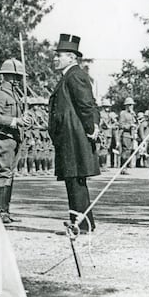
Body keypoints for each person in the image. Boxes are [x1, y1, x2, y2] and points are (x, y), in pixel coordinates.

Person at [48, 34, 100, 233]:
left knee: (76, 180)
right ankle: (83, 223)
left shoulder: (75, 75)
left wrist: (91, 128)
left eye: (59, 55)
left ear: (71, 57)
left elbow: (86, 105)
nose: (55, 59)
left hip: (75, 137)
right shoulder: (69, 75)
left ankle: (81, 225)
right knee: (74, 180)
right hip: (70, 136)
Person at [0, 59, 31, 223]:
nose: (19, 81)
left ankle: (5, 211)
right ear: (8, 77)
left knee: (9, 174)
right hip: (5, 137)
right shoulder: (0, 94)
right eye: (17, 77)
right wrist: (15, 121)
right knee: (3, 173)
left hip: (15, 138)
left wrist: (25, 120)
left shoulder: (16, 95)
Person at [118, 97, 136, 174]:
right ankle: (123, 167)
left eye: (132, 105)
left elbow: (136, 122)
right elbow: (121, 125)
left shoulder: (132, 114)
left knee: (129, 151)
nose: (131, 106)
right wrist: (129, 125)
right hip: (125, 134)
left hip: (131, 135)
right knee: (125, 151)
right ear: (127, 105)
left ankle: (126, 166)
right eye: (130, 105)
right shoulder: (123, 113)